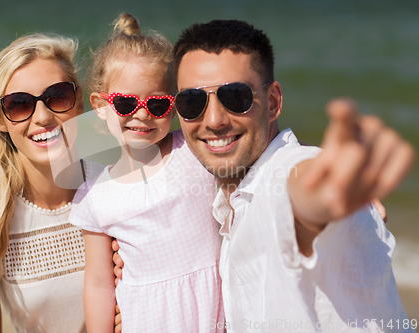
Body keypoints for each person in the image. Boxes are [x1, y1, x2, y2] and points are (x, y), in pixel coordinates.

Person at [114, 19, 415, 332]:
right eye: (192, 102)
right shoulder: (229, 203)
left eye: (235, 97)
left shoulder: (285, 178)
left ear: (272, 102)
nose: (214, 120)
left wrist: (322, 196)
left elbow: (298, 196)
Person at [69, 14, 225, 333]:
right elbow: (99, 284)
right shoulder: (95, 195)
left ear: (177, 104)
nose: (142, 114)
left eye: (158, 104)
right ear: (100, 105)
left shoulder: (196, 152)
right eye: (125, 103)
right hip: (147, 320)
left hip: (218, 312)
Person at [0, 34, 104, 332]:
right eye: (19, 104)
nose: (42, 116)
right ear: (0, 120)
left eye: (57, 96)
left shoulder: (116, 184)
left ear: (79, 101)